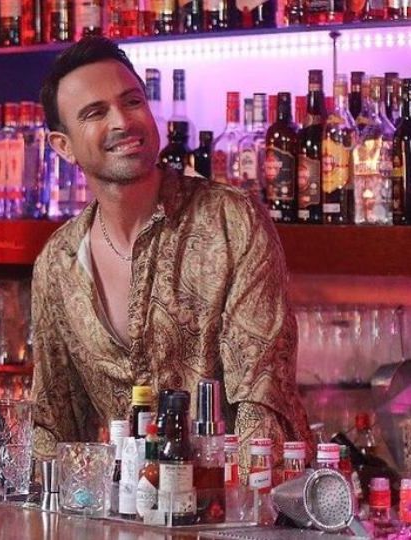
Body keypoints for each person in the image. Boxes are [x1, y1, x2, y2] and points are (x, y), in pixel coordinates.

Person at [29, 37, 311, 465]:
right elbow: (53, 422)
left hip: (232, 495)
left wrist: (244, 499)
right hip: (128, 500)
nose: (123, 121)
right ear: (63, 146)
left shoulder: (230, 221)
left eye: (132, 101)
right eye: (95, 113)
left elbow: (262, 395)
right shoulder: (58, 262)